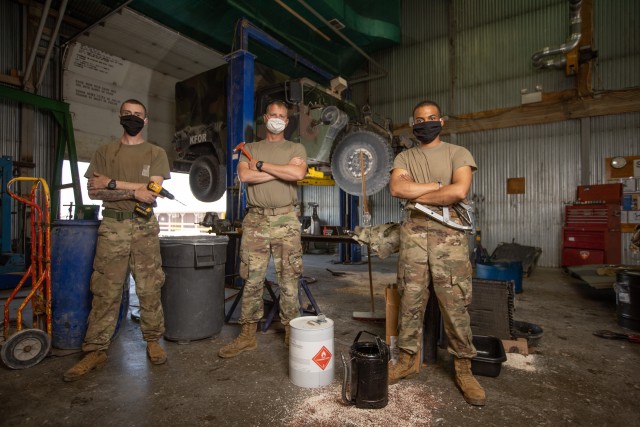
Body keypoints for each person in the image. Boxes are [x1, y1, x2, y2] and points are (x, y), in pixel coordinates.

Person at [63, 99, 171, 381]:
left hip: (144, 226)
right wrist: (134, 191)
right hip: (112, 226)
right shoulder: (104, 151)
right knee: (105, 290)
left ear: (145, 121)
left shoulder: (156, 152)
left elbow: (154, 190)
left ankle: (152, 341)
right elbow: (93, 192)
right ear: (120, 117)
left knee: (149, 287)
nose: (133, 118)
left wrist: (112, 183)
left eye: (138, 115)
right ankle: (96, 348)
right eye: (128, 114)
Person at [388, 100, 485, 406]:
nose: (425, 123)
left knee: (454, 302)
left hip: (449, 235)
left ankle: (464, 367)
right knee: (411, 298)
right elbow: (396, 190)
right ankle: (405, 360)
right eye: (419, 119)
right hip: (414, 233)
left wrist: (417, 190)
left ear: (441, 122)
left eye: (431, 118)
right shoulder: (405, 155)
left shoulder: (458, 153)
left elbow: (459, 192)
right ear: (412, 123)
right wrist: (435, 186)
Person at [218, 100, 307, 358]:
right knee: (251, 279)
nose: (277, 118)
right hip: (255, 220)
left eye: (282, 116)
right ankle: (247, 334)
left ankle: (292, 333)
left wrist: (259, 165)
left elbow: (298, 174)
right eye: (273, 114)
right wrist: (281, 172)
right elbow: (245, 177)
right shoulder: (250, 148)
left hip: (286, 220)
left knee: (289, 279)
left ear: (287, 121)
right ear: (265, 117)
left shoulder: (295, 146)